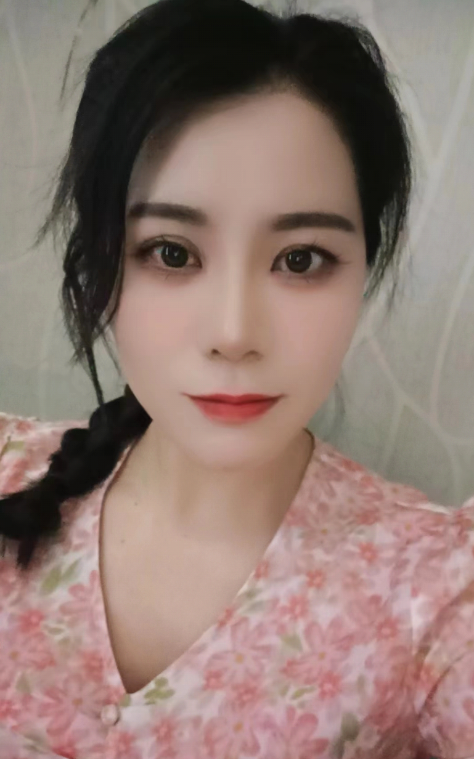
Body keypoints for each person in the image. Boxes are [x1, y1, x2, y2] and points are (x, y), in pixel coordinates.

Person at [0, 0, 473, 756]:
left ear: (362, 269)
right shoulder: (7, 466)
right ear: (98, 260)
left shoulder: (436, 588)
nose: (234, 333)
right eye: (172, 252)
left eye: (300, 260)